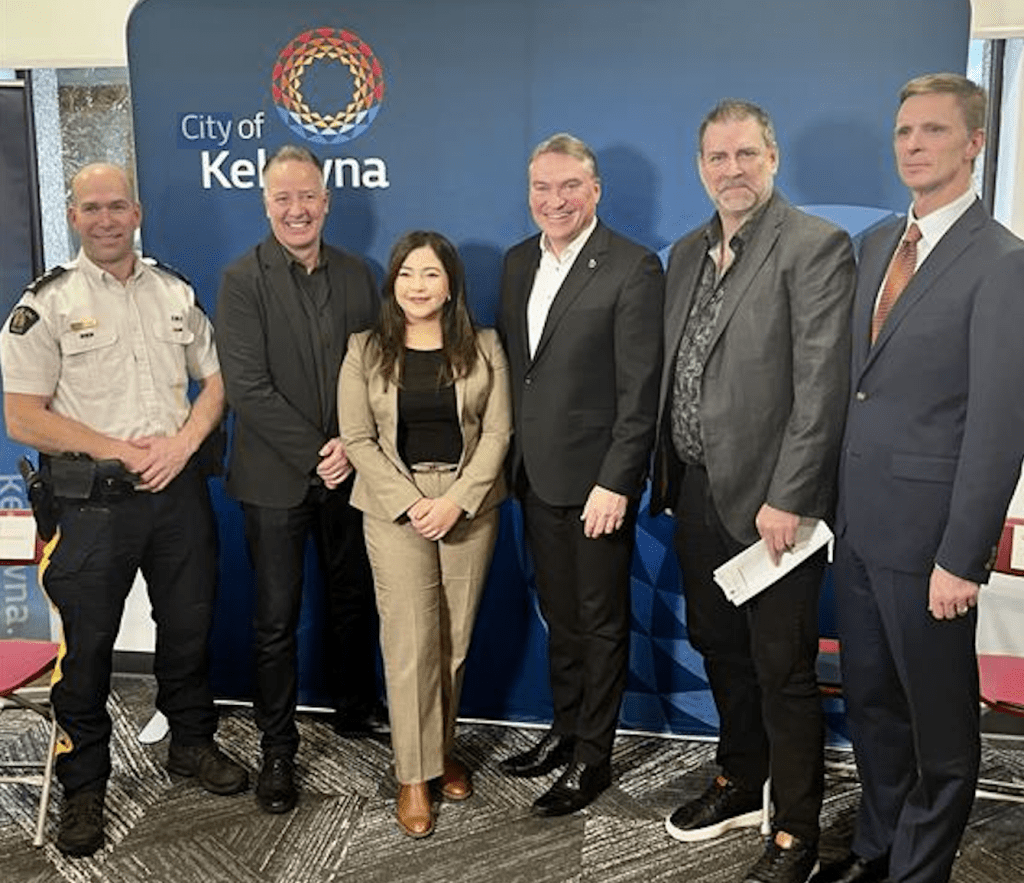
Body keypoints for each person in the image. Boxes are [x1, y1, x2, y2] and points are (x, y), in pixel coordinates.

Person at [0, 163, 247, 857]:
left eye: (117, 206)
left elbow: (218, 376)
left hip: (179, 494)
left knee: (190, 629)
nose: (106, 219)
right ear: (74, 216)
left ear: (136, 213)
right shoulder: (44, 304)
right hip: (91, 508)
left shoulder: (172, 290)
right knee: (85, 655)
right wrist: (119, 449)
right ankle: (83, 786)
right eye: (92, 208)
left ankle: (192, 743)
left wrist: (185, 442)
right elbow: (23, 416)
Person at [814, 74, 1024, 883]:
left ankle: (919, 871)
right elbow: (858, 389)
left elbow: (1001, 427)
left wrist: (961, 557)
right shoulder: (875, 246)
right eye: (904, 131)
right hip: (859, 530)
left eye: (933, 131)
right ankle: (878, 849)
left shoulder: (1002, 263)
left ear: (974, 143)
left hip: (932, 546)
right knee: (871, 707)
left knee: (939, 728)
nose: (913, 145)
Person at [650, 100, 855, 883]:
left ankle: (794, 832)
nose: (730, 170)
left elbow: (820, 385)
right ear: (700, 167)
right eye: (716, 157)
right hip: (698, 492)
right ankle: (741, 780)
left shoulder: (813, 246)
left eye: (744, 154)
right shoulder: (687, 254)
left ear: (772, 158)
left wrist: (792, 494)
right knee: (720, 649)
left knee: (782, 668)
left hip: (778, 507)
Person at [496, 133, 664, 816]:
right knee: (560, 616)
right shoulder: (514, 263)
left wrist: (617, 481)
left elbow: (640, 389)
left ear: (594, 190)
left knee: (599, 622)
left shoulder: (631, 266)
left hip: (597, 486)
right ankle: (564, 731)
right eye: (542, 187)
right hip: (534, 476)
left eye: (569, 186)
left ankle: (594, 755)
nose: (554, 200)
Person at [215, 145, 380, 815]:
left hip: (347, 472)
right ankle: (277, 747)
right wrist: (319, 451)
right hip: (275, 478)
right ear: (265, 204)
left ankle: (354, 708)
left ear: (327, 199)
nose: (296, 208)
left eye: (306, 195)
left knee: (352, 599)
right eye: (282, 198)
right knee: (275, 620)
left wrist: (348, 445)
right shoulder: (240, 279)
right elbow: (248, 389)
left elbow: (371, 367)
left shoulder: (357, 274)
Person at [338, 230, 511, 838]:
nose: (418, 285)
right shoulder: (365, 348)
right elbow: (358, 439)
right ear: (393, 283)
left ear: (450, 284)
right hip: (395, 507)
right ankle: (413, 775)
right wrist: (414, 504)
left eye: (431, 274)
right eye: (407, 273)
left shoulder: (485, 345)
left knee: (453, 640)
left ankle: (439, 755)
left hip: (469, 506)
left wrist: (457, 502)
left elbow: (497, 434)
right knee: (410, 642)